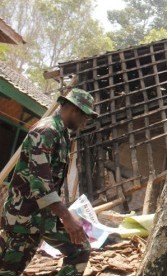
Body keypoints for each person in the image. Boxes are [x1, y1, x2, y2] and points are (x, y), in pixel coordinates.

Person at [0, 88, 99, 276]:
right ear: (75, 110)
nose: (85, 122)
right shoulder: (46, 131)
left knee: (80, 248)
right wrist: (67, 216)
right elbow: (40, 182)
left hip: (43, 217)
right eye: (85, 116)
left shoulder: (63, 135)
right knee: (8, 271)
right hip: (24, 218)